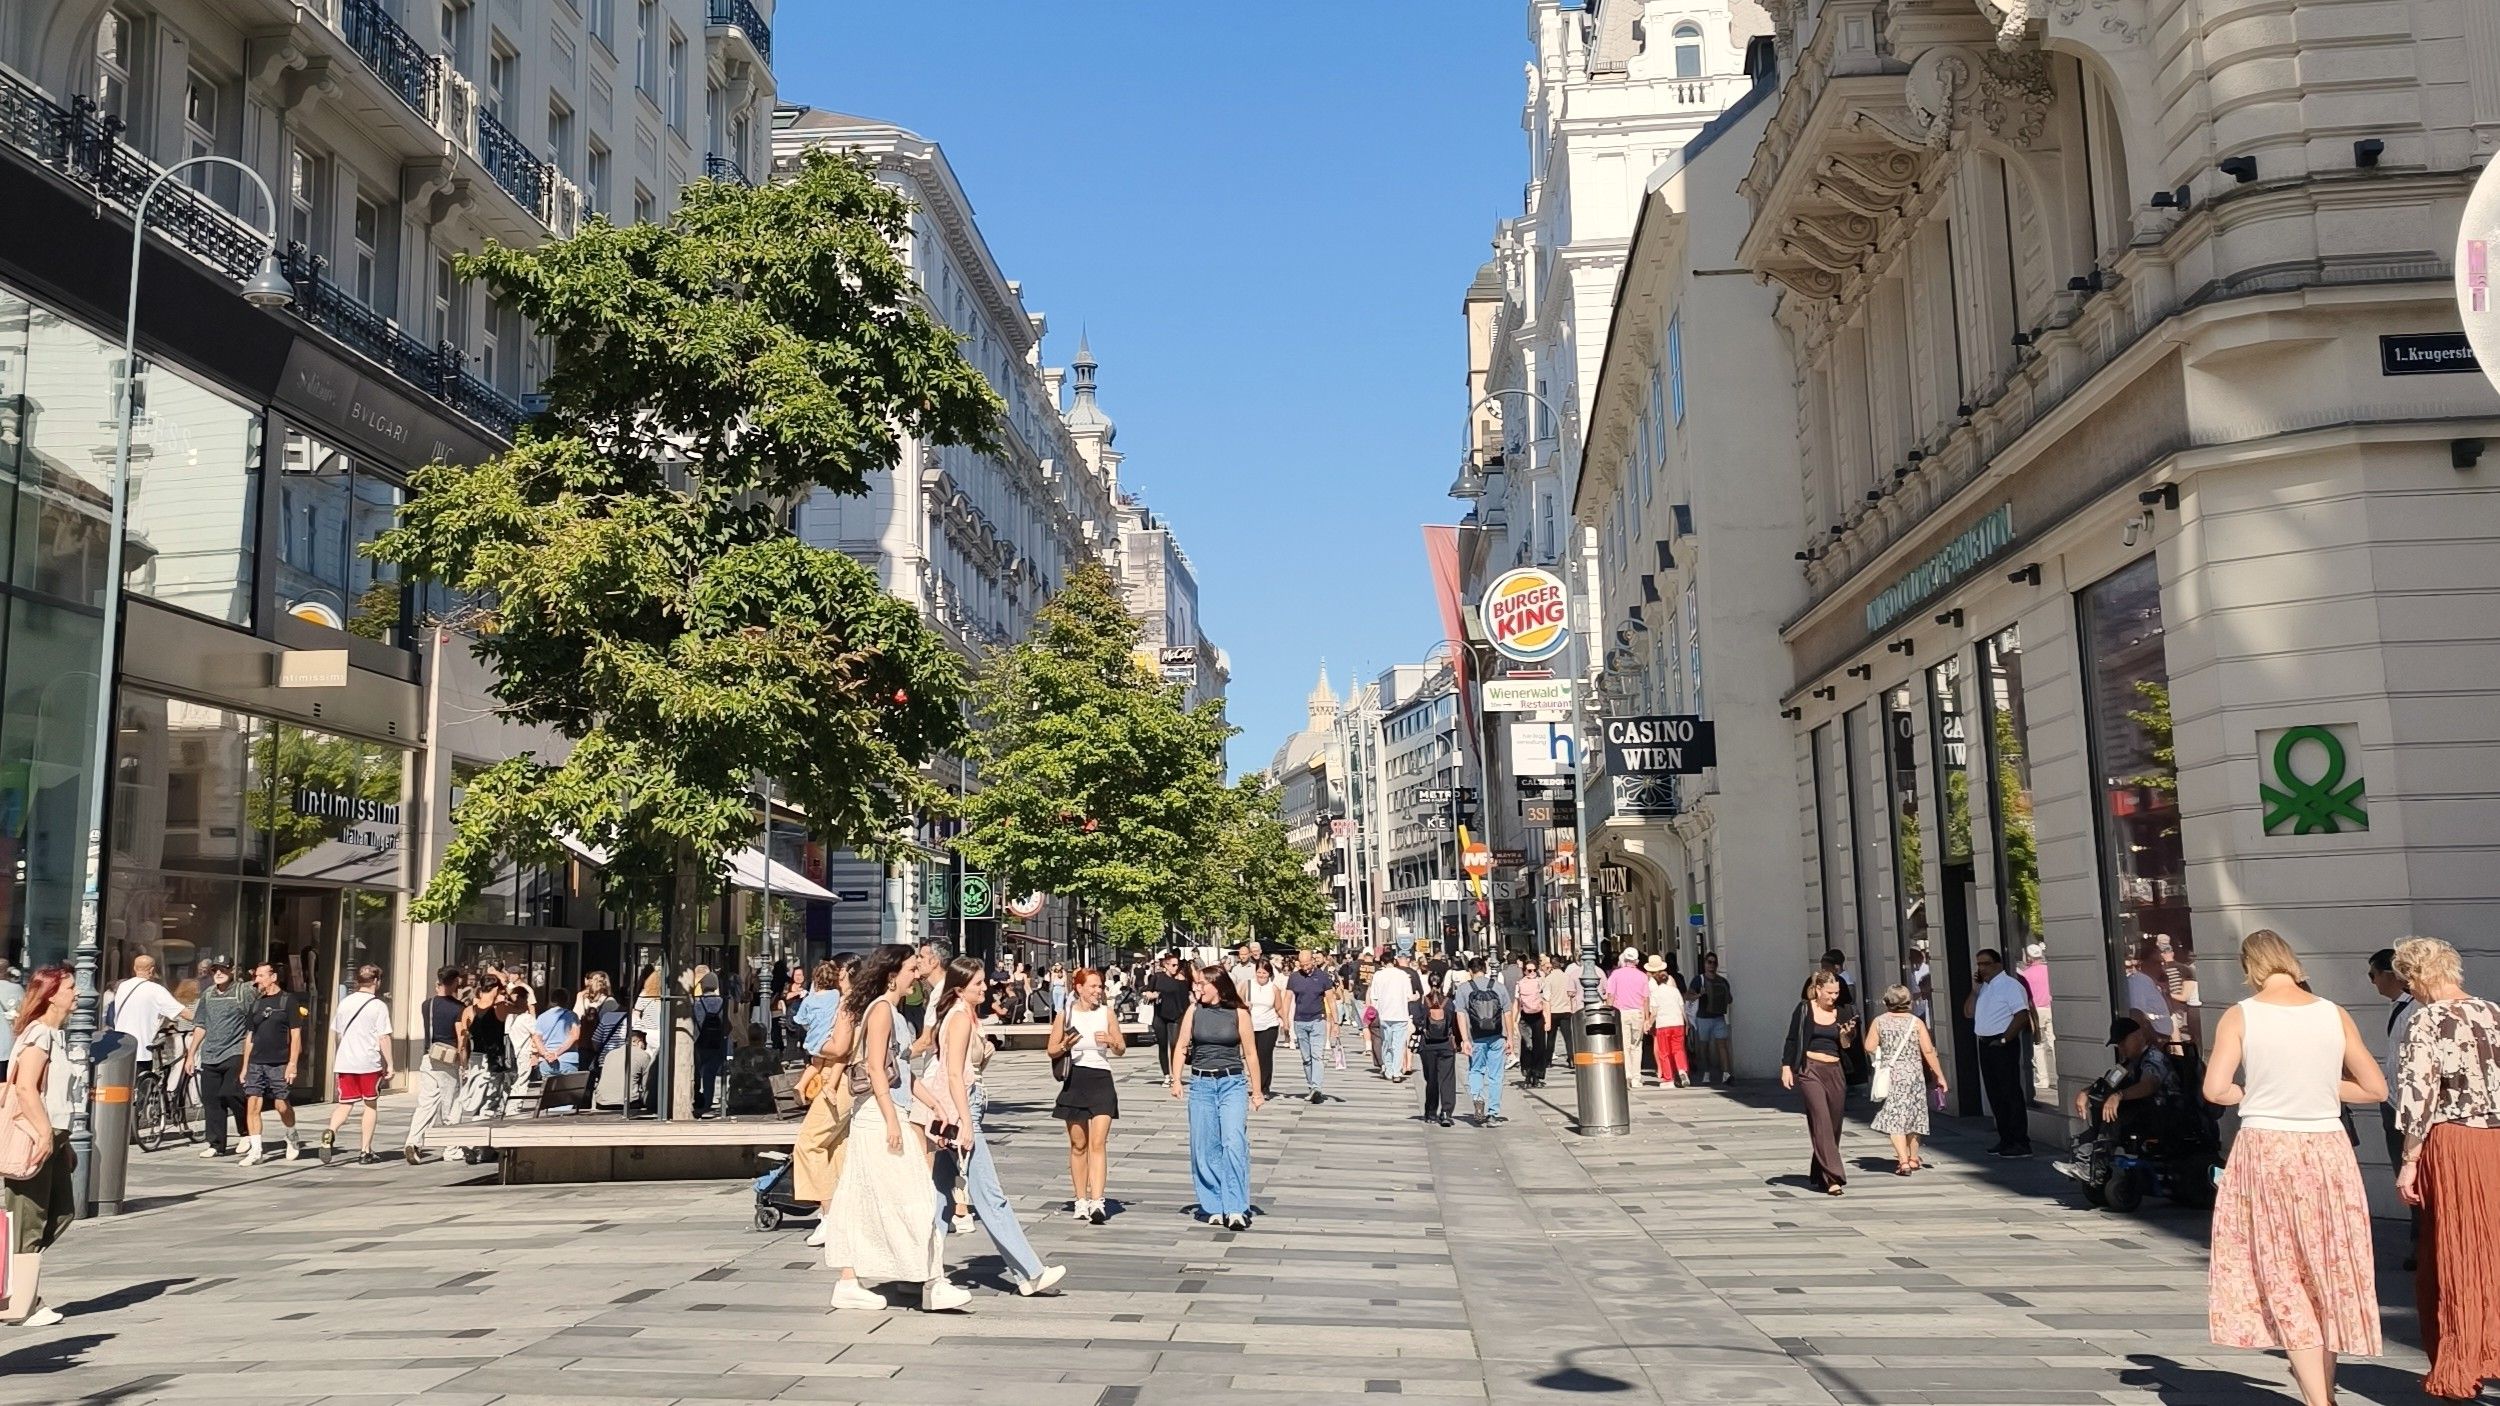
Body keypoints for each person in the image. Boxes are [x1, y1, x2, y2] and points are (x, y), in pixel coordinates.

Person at [2202, 929, 2383, 1406]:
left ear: (2250, 967)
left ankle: (2320, 1402)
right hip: (2327, 1149)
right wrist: (2322, 1084)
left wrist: (2252, 1091)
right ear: (2291, 961)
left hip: (2266, 1148)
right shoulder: (2333, 1013)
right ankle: (2320, 1394)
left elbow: (2215, 1089)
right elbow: (2375, 1089)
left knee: (2282, 1272)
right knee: (2324, 1269)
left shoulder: (2241, 1016)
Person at [826, 944, 967, 1313]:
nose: (916, 974)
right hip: (878, 1115)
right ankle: (930, 1282)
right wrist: (892, 1119)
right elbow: (875, 1069)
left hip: (885, 1110)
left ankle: (853, 1280)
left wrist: (933, 1102)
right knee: (917, 1195)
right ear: (892, 975)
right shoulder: (882, 1012)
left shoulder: (894, 1014)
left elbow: (900, 1070)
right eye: (910, 969)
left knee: (865, 1194)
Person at [2388, 936, 2500, 1400]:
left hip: (2452, 1143)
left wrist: (2408, 1161)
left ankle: (2462, 1361)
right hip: (2496, 1139)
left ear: (2416, 976)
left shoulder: (2426, 1020)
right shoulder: (2493, 1013)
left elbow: (2419, 1096)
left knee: (2456, 1248)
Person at [931, 958, 1066, 1297]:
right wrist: (965, 1121)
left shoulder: (959, 1016)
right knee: (990, 1195)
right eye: (977, 984)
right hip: (963, 1110)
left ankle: (920, 1269)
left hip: (957, 1109)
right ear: (960, 989)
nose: (984, 987)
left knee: (938, 1197)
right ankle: (1029, 1272)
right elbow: (952, 1072)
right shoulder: (960, 1017)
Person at [3, 964, 75, 1327]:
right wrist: (45, 1133)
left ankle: (18, 1291)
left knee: (62, 1213)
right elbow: (26, 1088)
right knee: (27, 1222)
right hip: (33, 1137)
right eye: (70, 988)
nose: (76, 993)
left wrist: (62, 1142)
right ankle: (21, 1303)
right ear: (51, 995)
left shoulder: (55, 1035)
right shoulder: (38, 1035)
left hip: (54, 1138)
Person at [1169, 964, 1262, 1230]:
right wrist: (1176, 1079)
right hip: (1201, 1083)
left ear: (1217, 986)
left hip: (1232, 1082)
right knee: (1205, 1146)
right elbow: (1181, 1045)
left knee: (1233, 1142)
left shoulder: (1239, 1013)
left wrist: (1256, 1091)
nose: (1197, 988)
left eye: (1202, 984)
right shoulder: (1194, 1011)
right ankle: (1213, 1204)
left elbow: (1251, 1053)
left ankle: (1235, 1207)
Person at [2054, 1016, 2175, 1190]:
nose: (2121, 1048)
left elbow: (2149, 1085)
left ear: (2138, 1036)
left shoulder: (2153, 1057)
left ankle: (2096, 1167)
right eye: (2118, 1044)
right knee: (2100, 1111)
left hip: (2163, 1112)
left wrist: (2119, 1096)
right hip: (2142, 1112)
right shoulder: (2128, 1063)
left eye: (2123, 1041)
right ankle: (2083, 1162)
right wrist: (2087, 1092)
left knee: (2113, 1116)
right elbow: (2109, 1083)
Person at [1049, 967, 1124, 1224]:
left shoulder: (1107, 1013)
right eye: (1092, 986)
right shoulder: (1066, 1013)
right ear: (1079, 988)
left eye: (1100, 986)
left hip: (1101, 1079)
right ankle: (1080, 1199)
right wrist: (1065, 1045)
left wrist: (1112, 1042)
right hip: (1075, 1080)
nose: (1097, 991)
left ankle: (1098, 1201)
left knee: (1098, 1142)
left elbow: (1121, 1048)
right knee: (1078, 1144)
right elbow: (1051, 1049)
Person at [792, 956, 857, 1248]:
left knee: (809, 1142)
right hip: (844, 1080)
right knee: (836, 1145)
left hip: (839, 1079)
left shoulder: (847, 1003)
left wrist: (815, 1047)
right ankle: (841, 1211)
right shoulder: (844, 1001)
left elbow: (841, 1049)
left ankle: (830, 1215)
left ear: (844, 973)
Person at [2368, 946, 2425, 1269]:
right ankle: (2419, 1242)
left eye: (2373, 975)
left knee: (2412, 1178)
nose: (2373, 983)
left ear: (2389, 974)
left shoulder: (2416, 1009)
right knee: (2405, 1179)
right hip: (2394, 1102)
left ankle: (2422, 1244)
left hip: (2407, 1108)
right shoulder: (2401, 1008)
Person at [1780, 970, 1854, 1195]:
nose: (1833, 997)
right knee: (1820, 1119)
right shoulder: (1804, 1009)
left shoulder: (1844, 1012)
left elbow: (1849, 1046)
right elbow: (1792, 1038)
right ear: (1819, 989)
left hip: (1835, 1070)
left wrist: (1847, 1035)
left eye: (1837, 993)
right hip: (1810, 1069)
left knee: (1833, 1126)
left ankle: (1819, 1172)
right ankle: (1834, 1177)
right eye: (1830, 993)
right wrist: (1786, 1067)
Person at [1865, 984, 1945, 1175]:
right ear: (1908, 1002)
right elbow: (1928, 1050)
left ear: (1887, 1001)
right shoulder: (1915, 1022)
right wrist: (1939, 1075)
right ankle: (1914, 1157)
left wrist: (1883, 1051)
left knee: (1896, 1117)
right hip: (1914, 1075)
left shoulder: (1879, 1021)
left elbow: (1869, 1046)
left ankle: (1903, 1161)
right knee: (1915, 1114)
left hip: (1893, 1075)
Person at [318, 964, 393, 1166]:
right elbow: (383, 1037)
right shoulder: (378, 1006)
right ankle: (365, 1150)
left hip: (346, 1062)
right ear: (376, 981)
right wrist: (390, 1064)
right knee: (370, 1104)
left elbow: (338, 1033)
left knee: (345, 1104)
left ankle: (330, 1132)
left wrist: (340, 1055)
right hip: (368, 1062)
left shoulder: (345, 1003)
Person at [1965, 948, 2035, 1157]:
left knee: (2010, 1092)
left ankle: (2020, 1141)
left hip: (2002, 1043)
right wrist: (1975, 990)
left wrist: (2005, 1039)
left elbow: (2021, 1015)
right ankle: (2006, 1139)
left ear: (1997, 965)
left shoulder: (2010, 986)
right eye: (1978, 964)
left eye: (1985, 964)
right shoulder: (1985, 988)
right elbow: (1968, 1012)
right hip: (1985, 1043)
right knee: (1994, 1093)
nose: (1981, 968)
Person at [238, 961, 307, 1165]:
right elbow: (250, 1036)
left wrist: (292, 1063)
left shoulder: (288, 1001)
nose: (256, 980)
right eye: (256, 977)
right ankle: (256, 1150)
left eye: (260, 976)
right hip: (256, 1062)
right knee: (252, 1104)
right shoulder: (256, 1004)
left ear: (273, 977)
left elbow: (295, 1036)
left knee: (281, 1105)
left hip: (279, 1062)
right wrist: (244, 1066)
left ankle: (291, 1134)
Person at [186, 956, 252, 1159]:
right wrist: (191, 1055)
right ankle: (216, 1144)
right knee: (211, 1099)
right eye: (215, 970)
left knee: (231, 1092)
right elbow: (200, 1024)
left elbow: (254, 1020)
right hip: (210, 1053)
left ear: (232, 971)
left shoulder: (243, 991)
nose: (218, 973)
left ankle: (246, 1132)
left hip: (235, 1050)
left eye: (223, 969)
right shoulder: (207, 994)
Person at [405, 967, 466, 1165]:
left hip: (429, 1056)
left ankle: (413, 1141)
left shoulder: (427, 1005)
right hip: (449, 1059)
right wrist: (464, 1063)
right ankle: (452, 1148)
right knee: (451, 1104)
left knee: (426, 1103)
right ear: (455, 981)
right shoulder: (459, 1007)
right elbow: (461, 1038)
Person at [103, 953, 189, 1083]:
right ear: (152, 970)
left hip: (121, 1046)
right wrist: (205, 1020)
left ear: (134, 968)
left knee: (124, 1088)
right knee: (141, 1088)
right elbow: (182, 1012)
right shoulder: (155, 990)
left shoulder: (123, 986)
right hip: (142, 1049)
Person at [452, 976, 511, 1161]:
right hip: (494, 1059)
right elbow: (521, 1007)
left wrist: (464, 1063)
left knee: (478, 1100)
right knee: (490, 1103)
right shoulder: (499, 1009)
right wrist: (506, 993)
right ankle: (476, 1144)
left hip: (475, 1057)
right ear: (496, 989)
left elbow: (463, 1040)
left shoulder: (469, 1010)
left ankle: (482, 1147)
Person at [1458, 956, 1512, 1123]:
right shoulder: (1499, 987)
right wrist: (1510, 1038)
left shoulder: (1463, 989)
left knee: (1475, 1070)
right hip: (1497, 1036)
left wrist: (1465, 1039)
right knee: (1496, 1075)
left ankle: (1478, 1098)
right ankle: (1493, 1113)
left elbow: (1460, 1014)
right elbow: (1508, 1013)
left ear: (1470, 971)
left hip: (1475, 1038)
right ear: (1485, 969)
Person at [1284, 948, 1337, 1103]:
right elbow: (1287, 999)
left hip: (1318, 1020)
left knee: (1317, 1056)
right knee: (1306, 1058)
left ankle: (1317, 1088)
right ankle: (1311, 1086)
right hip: (1299, 1021)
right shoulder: (1294, 977)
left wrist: (1335, 1022)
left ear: (1313, 961)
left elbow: (1331, 999)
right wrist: (1285, 1020)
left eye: (1307, 964)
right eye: (1302, 965)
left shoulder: (1323, 976)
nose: (1305, 967)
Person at [1412, 986, 1464, 1127]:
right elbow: (1456, 1023)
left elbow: (1416, 1021)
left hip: (1427, 1046)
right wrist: (1459, 1042)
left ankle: (1431, 1113)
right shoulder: (1449, 1003)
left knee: (1431, 1079)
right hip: (1446, 1045)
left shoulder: (1422, 1002)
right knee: (1447, 1079)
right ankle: (1446, 1113)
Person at [1367, 954, 1419, 1082]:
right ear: (1394, 961)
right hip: (1401, 1013)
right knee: (1399, 1044)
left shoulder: (1378, 975)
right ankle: (1397, 1072)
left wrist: (1377, 1008)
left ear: (1382, 963)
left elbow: (1374, 996)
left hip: (1385, 1013)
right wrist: (1416, 997)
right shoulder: (1402, 975)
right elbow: (1409, 995)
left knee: (1387, 1043)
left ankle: (1389, 1069)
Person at [1606, 948, 1651, 1087]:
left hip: (1621, 1013)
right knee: (1636, 1046)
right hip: (1637, 1013)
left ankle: (1627, 1075)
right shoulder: (1642, 976)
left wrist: (1608, 1012)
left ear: (1623, 959)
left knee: (1624, 1045)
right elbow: (1646, 999)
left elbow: (1610, 996)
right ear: (1637, 961)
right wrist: (1647, 1018)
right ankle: (1636, 1078)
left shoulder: (1615, 974)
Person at [1688, 951, 1734, 1085]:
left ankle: (1726, 1074)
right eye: (1709, 962)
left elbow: (1730, 999)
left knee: (1722, 1046)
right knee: (1704, 1047)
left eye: (1714, 963)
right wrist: (1699, 995)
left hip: (1719, 1017)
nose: (1711, 965)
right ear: (1705, 964)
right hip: (1703, 1018)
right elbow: (1688, 996)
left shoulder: (1723, 981)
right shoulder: (1698, 980)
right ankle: (1706, 1073)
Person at [1645, 956, 1690, 1090]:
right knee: (1679, 1050)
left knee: (1664, 1052)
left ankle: (1668, 1078)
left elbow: (1655, 1011)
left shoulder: (1655, 992)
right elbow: (1682, 1007)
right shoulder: (1675, 990)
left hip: (1663, 1024)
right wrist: (1686, 1023)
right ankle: (1682, 1070)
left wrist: (1649, 1023)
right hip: (1678, 1022)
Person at [1245, 957, 1287, 1100]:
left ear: (1269, 974)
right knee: (1252, 1056)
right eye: (1259, 973)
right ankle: (1255, 1085)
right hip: (1251, 1026)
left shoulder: (1273, 988)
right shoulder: (1247, 985)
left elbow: (1279, 1007)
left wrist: (1286, 1023)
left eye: (1264, 973)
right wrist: (1244, 1005)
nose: (1261, 976)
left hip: (1269, 1026)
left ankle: (1264, 1087)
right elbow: (1236, 1002)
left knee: (1265, 1057)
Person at [1146, 951, 1193, 1079]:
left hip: (1175, 1015)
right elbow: (1146, 992)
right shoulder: (1158, 977)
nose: (1175, 968)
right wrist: (1151, 995)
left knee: (1174, 1044)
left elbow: (1186, 998)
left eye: (1177, 965)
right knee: (1162, 1045)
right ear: (1165, 965)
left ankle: (1175, 1074)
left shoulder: (1181, 979)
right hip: (1160, 1015)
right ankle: (1167, 1075)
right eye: (1172, 965)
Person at [691, 971, 731, 1117]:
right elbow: (728, 1026)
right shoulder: (723, 1002)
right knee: (710, 1074)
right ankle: (707, 1102)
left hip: (699, 1042)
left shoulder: (697, 1003)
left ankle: (697, 1100)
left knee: (697, 1072)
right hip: (717, 1044)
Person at [1515, 953, 1553, 1088]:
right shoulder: (1520, 984)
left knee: (1539, 1047)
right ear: (1524, 971)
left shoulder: (1542, 983)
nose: (1531, 973)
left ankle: (1536, 1075)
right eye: (1528, 970)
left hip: (1538, 1017)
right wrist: (1515, 1020)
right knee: (1526, 1046)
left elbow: (1546, 1002)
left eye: (1533, 970)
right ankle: (1528, 1074)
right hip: (1525, 1018)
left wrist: (1548, 1021)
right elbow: (1517, 1003)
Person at [534, 982, 581, 1081]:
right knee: (567, 1093)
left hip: (546, 1062)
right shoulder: (572, 1016)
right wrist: (556, 1053)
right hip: (567, 1060)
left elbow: (537, 1038)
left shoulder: (542, 1017)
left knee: (549, 1094)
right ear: (567, 1000)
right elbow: (574, 1036)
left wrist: (546, 1054)